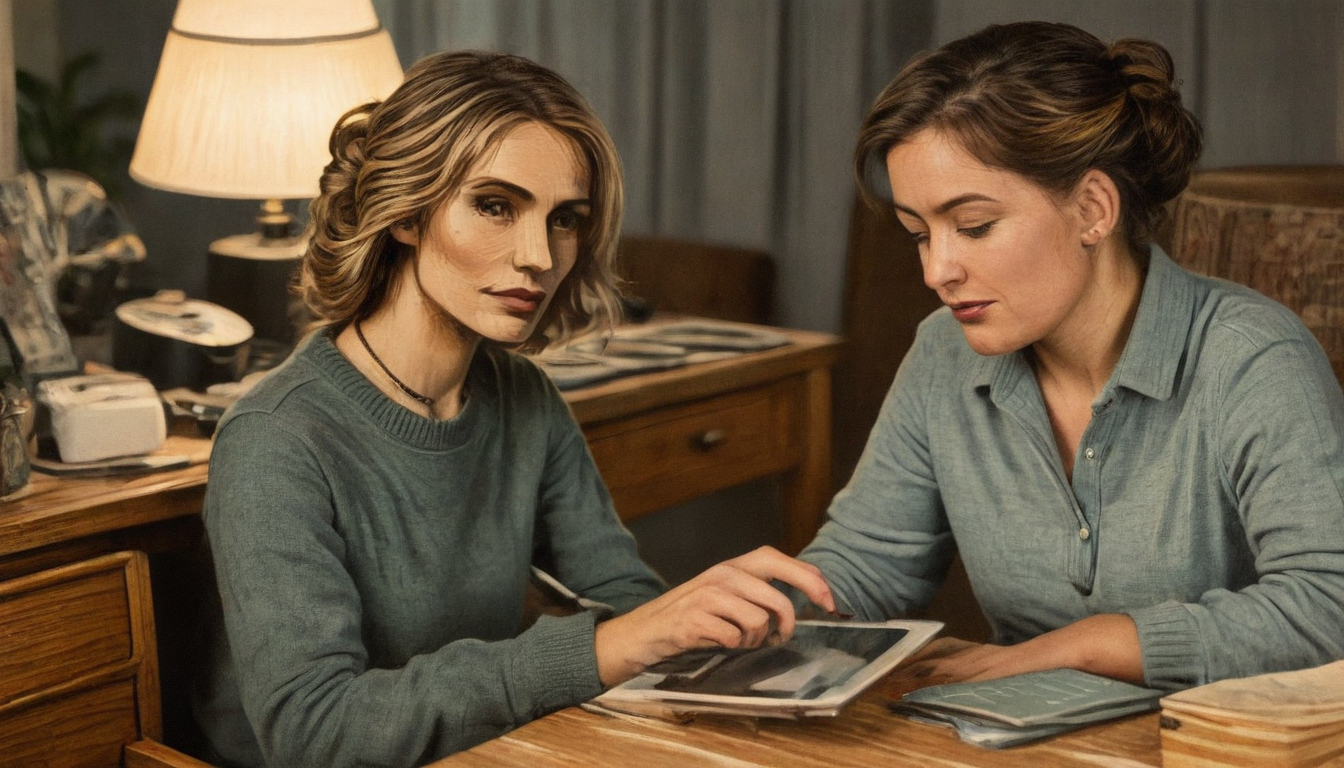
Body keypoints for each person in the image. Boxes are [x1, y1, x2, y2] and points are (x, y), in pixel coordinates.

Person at [193, 50, 834, 768]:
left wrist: (700, 620)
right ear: (406, 213)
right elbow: (316, 731)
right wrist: (606, 647)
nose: (538, 255)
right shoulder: (276, 439)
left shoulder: (522, 396)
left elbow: (619, 595)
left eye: (565, 219)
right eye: (495, 206)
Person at [800, 21, 1344, 693]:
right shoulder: (943, 352)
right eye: (919, 233)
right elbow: (865, 565)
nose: (937, 270)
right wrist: (756, 611)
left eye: (973, 227)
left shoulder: (1251, 358)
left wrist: (1084, 645)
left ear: (1092, 207)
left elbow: (1329, 608)